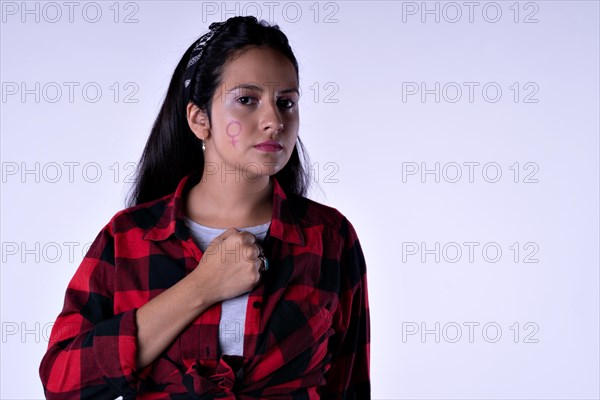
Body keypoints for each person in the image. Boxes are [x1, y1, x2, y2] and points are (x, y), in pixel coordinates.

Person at [39, 16, 370, 399]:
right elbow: (63, 382)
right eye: (247, 100)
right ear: (199, 119)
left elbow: (351, 384)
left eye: (286, 103)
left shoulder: (330, 237)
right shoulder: (129, 237)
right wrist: (203, 286)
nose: (273, 120)